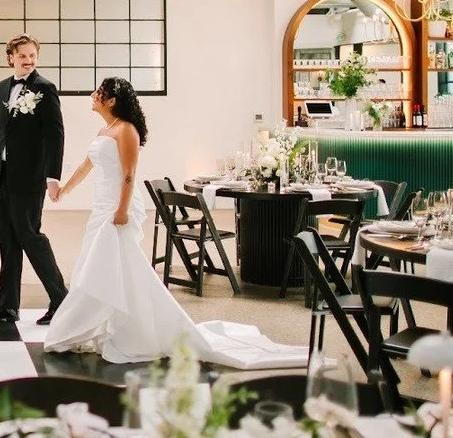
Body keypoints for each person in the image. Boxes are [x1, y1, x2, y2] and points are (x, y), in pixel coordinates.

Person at [43, 77, 310, 369]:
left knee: (108, 265)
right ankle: (109, 323)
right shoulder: (104, 130)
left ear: (111, 101)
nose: (93, 95)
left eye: (99, 92)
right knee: (109, 267)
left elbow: (130, 174)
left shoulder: (127, 130)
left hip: (116, 208)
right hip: (100, 208)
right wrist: (64, 189)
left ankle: (105, 328)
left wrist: (121, 210)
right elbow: (87, 165)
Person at [0, 33, 67, 326]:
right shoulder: (3, 87)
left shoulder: (45, 88)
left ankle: (62, 300)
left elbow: (55, 135)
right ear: (10, 57)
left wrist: (52, 177)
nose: (28, 61)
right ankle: (7, 306)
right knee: (8, 241)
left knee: (30, 237)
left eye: (32, 56)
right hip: (3, 177)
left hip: (30, 178)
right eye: (22, 56)